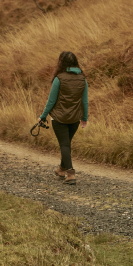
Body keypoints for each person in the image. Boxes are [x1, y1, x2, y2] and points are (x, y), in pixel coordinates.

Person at [39, 51, 88, 185]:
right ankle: (61, 169)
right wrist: (84, 117)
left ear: (61, 63)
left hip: (59, 119)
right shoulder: (82, 78)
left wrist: (43, 117)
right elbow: (84, 101)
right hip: (74, 119)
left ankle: (70, 173)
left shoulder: (59, 78)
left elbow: (51, 101)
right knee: (66, 143)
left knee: (64, 144)